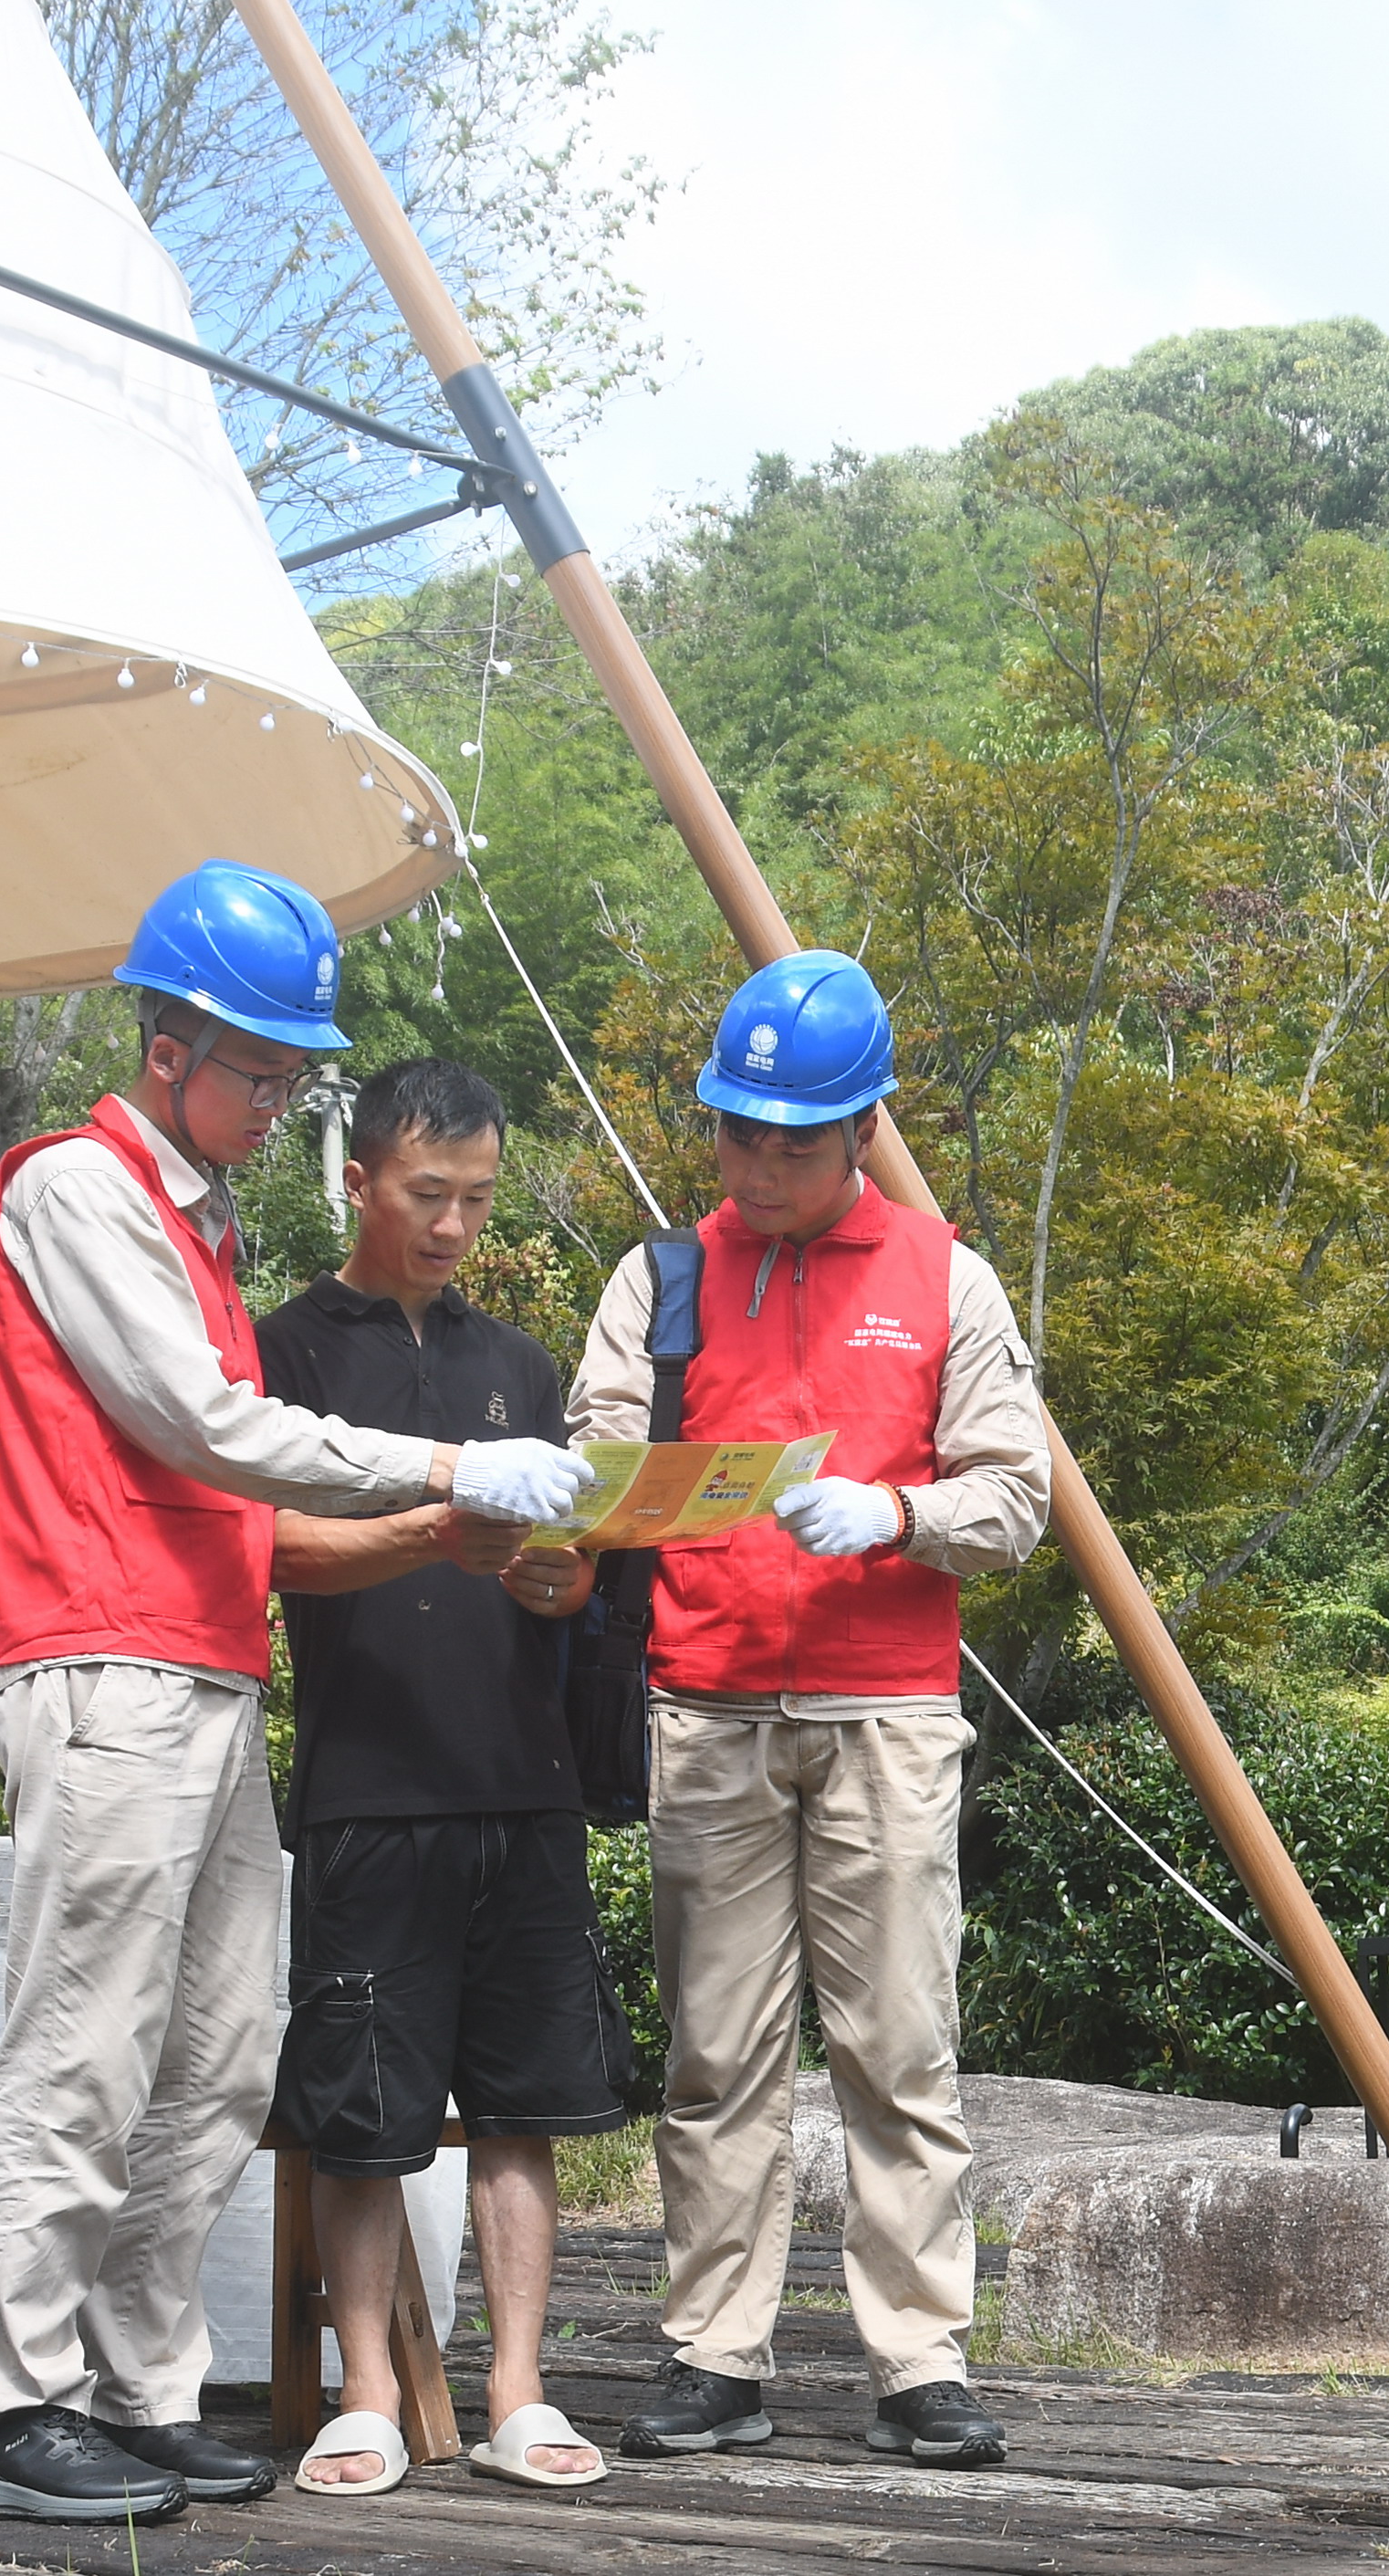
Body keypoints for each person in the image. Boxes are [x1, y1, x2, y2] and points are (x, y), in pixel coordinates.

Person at [0, 863, 591, 2523]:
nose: (277, 1099)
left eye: (296, 1077)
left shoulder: (200, 1224)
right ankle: (12, 2403)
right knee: (85, 2045)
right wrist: (450, 1460)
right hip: (101, 1655)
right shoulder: (77, 1189)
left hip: (209, 1663)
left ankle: (143, 2387)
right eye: (260, 1072)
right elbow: (206, 1428)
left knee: (222, 2057)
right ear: (171, 1046)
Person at [576, 951, 1048, 2469]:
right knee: (715, 2051)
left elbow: (1015, 1496)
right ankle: (715, 2349)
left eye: (797, 1137)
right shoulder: (660, 1279)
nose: (763, 1163)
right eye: (739, 1133)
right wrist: (613, 1502)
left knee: (898, 2044)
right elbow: (591, 1474)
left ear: (863, 1129)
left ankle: (917, 2355)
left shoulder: (942, 1276)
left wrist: (898, 1513)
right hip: (706, 1705)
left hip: (884, 1707)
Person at [255, 1057, 622, 2497]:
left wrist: (553, 1572)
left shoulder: (521, 1367)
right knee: (362, 2107)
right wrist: (438, 1514)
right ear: (356, 1180)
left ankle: (519, 2388)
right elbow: (267, 1545)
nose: (456, 1224)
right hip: (364, 1780)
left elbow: (565, 1578)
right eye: (428, 1194)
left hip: (520, 1779)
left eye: (475, 1196)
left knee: (523, 2101)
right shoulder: (283, 1350)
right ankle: (361, 2391)